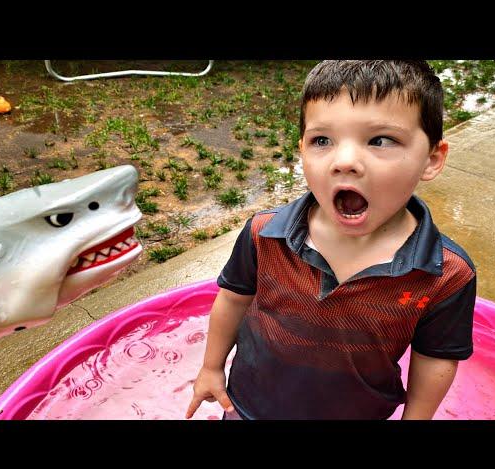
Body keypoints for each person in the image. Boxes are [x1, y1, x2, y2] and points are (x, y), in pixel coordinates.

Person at [185, 60, 477, 420]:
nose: (345, 161)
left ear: (431, 159)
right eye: (322, 140)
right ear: (302, 150)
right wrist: (212, 368)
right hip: (249, 405)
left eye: (380, 140)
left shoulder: (445, 273)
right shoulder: (265, 233)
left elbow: (435, 357)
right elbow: (233, 299)